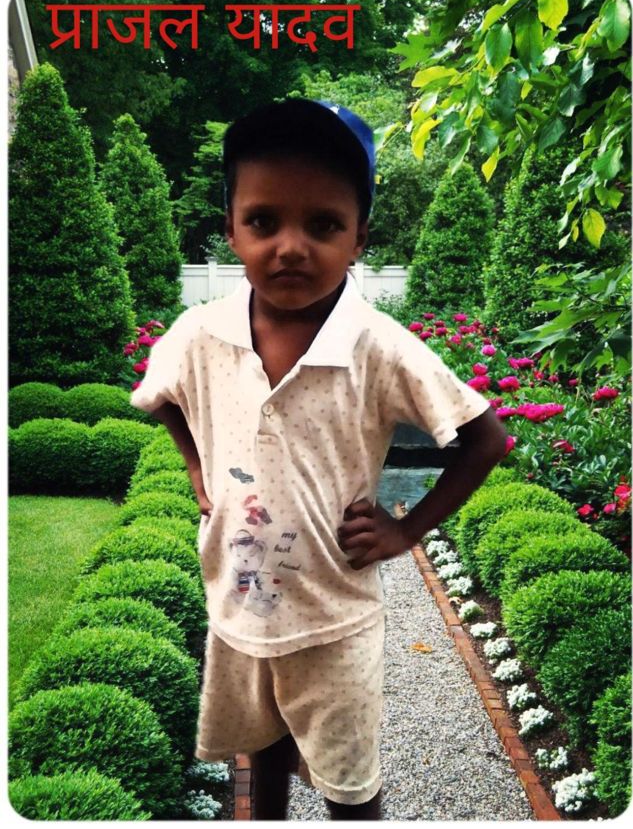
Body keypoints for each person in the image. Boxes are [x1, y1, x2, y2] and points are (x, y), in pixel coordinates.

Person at [130, 97, 508, 820]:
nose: (291, 247)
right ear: (231, 229)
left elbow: (484, 438)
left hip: (336, 618)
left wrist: (406, 528)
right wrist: (197, 467)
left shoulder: (378, 346)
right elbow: (161, 393)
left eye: (324, 225)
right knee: (261, 754)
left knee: (349, 785)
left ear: (360, 236)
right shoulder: (202, 332)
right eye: (263, 221)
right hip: (240, 605)